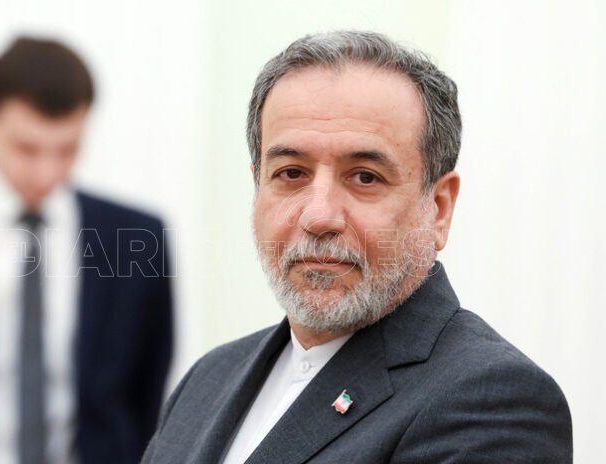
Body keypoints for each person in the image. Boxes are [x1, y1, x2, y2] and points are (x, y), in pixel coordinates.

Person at [142, 31, 572, 463]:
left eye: (365, 177)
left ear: (439, 208)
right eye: (291, 173)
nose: (319, 216)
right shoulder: (208, 379)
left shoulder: (493, 401)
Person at [0, 37, 173, 464]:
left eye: (67, 150)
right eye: (27, 148)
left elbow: (147, 387)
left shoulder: (136, 238)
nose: (46, 173)